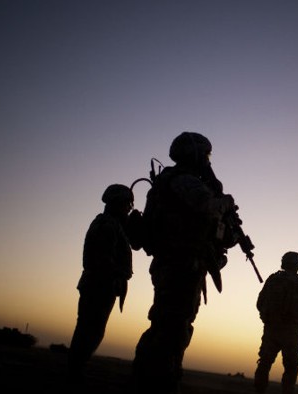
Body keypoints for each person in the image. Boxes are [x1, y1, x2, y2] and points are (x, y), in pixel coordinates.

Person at [131, 131, 239, 394]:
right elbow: (209, 207)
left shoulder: (172, 180)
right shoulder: (184, 181)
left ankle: (147, 378)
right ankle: (159, 383)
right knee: (172, 329)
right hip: (179, 264)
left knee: (167, 325)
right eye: (205, 155)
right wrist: (226, 202)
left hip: (178, 262)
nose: (208, 161)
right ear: (195, 155)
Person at [67, 184, 140, 382]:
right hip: (99, 285)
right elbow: (100, 259)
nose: (128, 209)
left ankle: (75, 369)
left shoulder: (111, 224)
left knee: (90, 329)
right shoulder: (107, 225)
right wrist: (119, 273)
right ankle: (74, 371)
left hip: (100, 285)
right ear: (117, 203)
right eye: (127, 205)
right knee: (90, 330)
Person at [253, 251, 298, 394]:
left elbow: (259, 303)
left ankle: (259, 390)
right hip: (291, 333)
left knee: (264, 362)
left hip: (271, 329)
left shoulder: (273, 279)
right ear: (297, 265)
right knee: (291, 366)